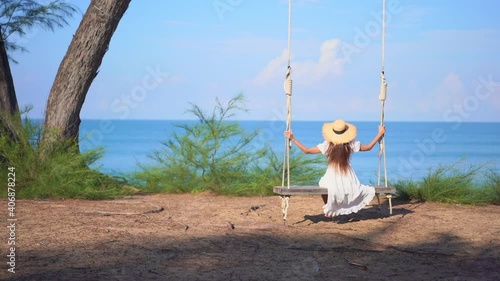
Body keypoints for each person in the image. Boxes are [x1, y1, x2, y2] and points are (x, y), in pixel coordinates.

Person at [284, 119, 386, 218]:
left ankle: (329, 208)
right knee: (348, 188)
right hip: (347, 174)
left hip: (332, 174)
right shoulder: (350, 144)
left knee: (323, 184)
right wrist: (379, 133)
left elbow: (307, 151)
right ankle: (336, 207)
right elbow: (368, 147)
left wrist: (292, 138)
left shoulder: (328, 145)